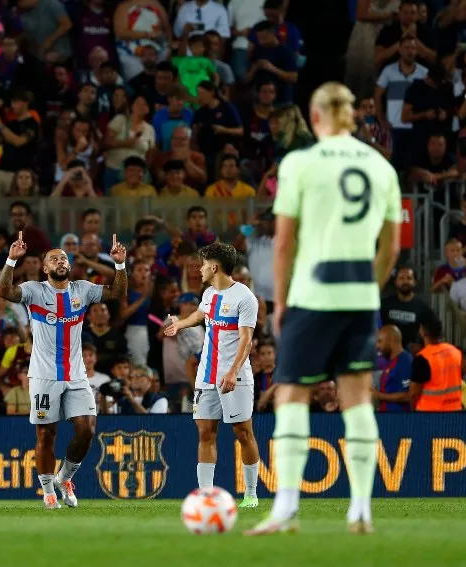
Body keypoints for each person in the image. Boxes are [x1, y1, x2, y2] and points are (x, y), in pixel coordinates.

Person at [246, 83, 402, 536]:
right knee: (357, 399)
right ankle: (360, 510)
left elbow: (284, 239)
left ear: (315, 117)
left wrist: (283, 300)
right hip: (359, 296)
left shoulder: (300, 163)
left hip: (314, 294)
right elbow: (390, 249)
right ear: (353, 116)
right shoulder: (380, 166)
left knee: (293, 394)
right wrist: (369, 289)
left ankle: (287, 509)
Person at [0, 231, 127, 509]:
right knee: (46, 435)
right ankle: (48, 493)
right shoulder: (34, 290)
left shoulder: (82, 289)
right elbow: (4, 291)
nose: (60, 261)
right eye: (54, 258)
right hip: (44, 376)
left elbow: (117, 292)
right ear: (45, 268)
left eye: (64, 258)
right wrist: (10, 259)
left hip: (76, 375)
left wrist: (119, 265)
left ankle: (64, 478)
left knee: (87, 430)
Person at [164, 242, 260, 508]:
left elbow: (246, 340)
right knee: (205, 432)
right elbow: (200, 314)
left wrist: (232, 371)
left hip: (235, 376)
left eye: (203, 265)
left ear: (214, 267)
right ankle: (206, 496)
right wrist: (180, 324)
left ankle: (251, 494)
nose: (200, 269)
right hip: (206, 375)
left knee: (243, 432)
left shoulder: (244, 297)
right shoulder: (208, 294)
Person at [409, 317, 462, 412]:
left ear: (423, 332)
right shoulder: (455, 351)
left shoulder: (422, 358)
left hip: (429, 414)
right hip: (455, 411)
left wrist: (413, 412)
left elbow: (414, 393)